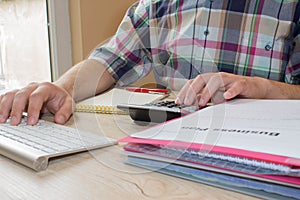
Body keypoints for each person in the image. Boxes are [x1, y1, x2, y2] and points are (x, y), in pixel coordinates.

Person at [0, 0, 300, 126]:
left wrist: (260, 88)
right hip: (173, 161)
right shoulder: (159, 4)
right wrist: (61, 87)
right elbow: (111, 58)